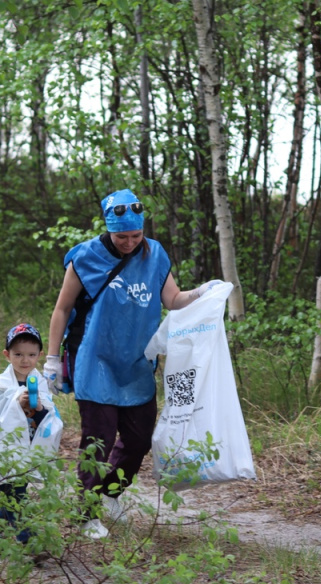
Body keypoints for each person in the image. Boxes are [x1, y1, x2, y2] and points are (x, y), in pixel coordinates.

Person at [45, 189, 220, 540]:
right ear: (109, 229)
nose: (129, 243)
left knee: (139, 441)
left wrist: (203, 292)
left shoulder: (154, 254)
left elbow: (173, 299)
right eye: (121, 236)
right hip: (94, 362)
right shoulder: (85, 258)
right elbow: (63, 309)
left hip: (137, 363)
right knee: (98, 441)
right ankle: (85, 512)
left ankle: (109, 495)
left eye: (135, 235)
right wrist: (52, 359)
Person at [0, 322, 60, 545]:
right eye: (18, 354)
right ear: (7, 355)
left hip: (29, 447)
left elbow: (50, 414)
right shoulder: (2, 384)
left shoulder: (40, 383)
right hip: (7, 448)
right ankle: (28, 541)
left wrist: (38, 408)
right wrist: (15, 403)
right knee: (16, 495)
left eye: (31, 355)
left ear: (40, 355)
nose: (25, 360)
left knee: (13, 495)